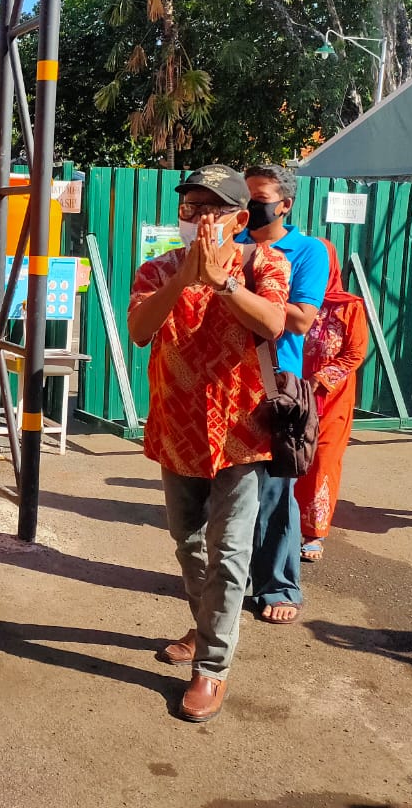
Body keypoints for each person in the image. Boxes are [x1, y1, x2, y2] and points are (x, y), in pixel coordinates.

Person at [128, 165, 290, 724]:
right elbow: (140, 330)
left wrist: (222, 282)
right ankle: (205, 627)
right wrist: (185, 278)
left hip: (242, 435)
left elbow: (272, 323)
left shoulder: (264, 263)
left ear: (239, 219)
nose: (197, 219)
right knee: (187, 544)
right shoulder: (156, 270)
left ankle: (212, 668)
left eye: (211, 209)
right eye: (189, 208)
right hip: (177, 430)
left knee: (228, 553)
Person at [235, 163, 329, 624]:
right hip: (225, 384)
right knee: (228, 493)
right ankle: (231, 580)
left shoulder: (308, 251)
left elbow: (300, 320)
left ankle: (279, 586)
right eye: (246, 194)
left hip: (275, 385)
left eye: (260, 195)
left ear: (284, 204)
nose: (252, 203)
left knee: (275, 493)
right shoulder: (228, 246)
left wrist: (237, 293)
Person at [293, 239, 368, 562]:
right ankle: (283, 522)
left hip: (330, 400)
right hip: (291, 395)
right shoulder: (289, 299)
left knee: (322, 460)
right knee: (288, 457)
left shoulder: (349, 306)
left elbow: (355, 353)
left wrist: (321, 379)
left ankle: (314, 531)